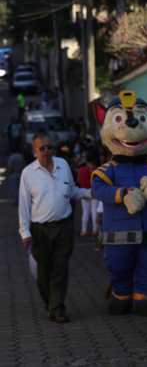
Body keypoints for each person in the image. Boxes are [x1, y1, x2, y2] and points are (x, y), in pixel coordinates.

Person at [18, 132, 91, 323]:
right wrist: (24, 232)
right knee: (43, 272)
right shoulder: (28, 173)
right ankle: (50, 302)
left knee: (60, 267)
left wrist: (92, 193)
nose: (47, 151)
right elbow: (24, 205)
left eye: (50, 147)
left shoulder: (63, 165)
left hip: (64, 226)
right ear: (35, 151)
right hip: (40, 229)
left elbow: (72, 191)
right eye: (42, 148)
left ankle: (57, 308)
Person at [77, 152, 100, 236]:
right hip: (94, 192)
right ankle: (95, 230)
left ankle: (84, 230)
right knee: (94, 211)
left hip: (83, 192)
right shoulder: (96, 170)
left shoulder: (81, 170)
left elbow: (79, 181)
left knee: (85, 212)